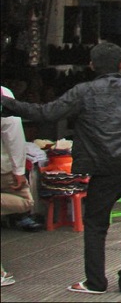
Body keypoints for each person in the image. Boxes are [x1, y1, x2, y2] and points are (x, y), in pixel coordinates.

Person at [0, 43, 121, 294]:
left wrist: (7, 103)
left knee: (96, 226)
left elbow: (45, 113)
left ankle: (95, 282)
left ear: (92, 65)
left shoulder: (83, 91)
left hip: (103, 168)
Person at [1, 86, 33, 288]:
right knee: (26, 202)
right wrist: (19, 169)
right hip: (3, 167)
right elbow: (12, 133)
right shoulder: (2, 93)